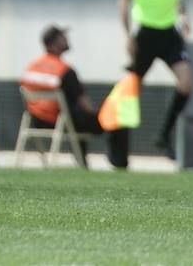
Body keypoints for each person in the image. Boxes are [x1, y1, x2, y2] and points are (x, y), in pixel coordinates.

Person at [120, 0, 193, 159]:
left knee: (186, 83)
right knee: (132, 90)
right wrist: (128, 35)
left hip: (168, 32)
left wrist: (182, 15)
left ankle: (163, 135)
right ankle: (118, 144)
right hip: (146, 32)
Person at [21, 25, 128, 168]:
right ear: (54, 43)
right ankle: (118, 162)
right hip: (61, 121)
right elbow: (85, 105)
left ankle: (81, 162)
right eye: (62, 37)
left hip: (36, 120)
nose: (67, 39)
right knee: (116, 119)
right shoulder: (64, 70)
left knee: (76, 115)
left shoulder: (31, 67)